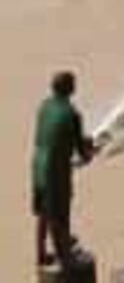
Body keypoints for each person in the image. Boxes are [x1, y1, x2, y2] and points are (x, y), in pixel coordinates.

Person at [32, 71, 97, 269]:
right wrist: (91, 149)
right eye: (74, 83)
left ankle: (41, 254)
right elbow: (82, 153)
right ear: (70, 88)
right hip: (56, 172)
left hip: (38, 164)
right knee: (60, 215)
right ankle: (66, 258)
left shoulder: (44, 106)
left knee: (44, 212)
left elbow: (52, 137)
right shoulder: (72, 114)